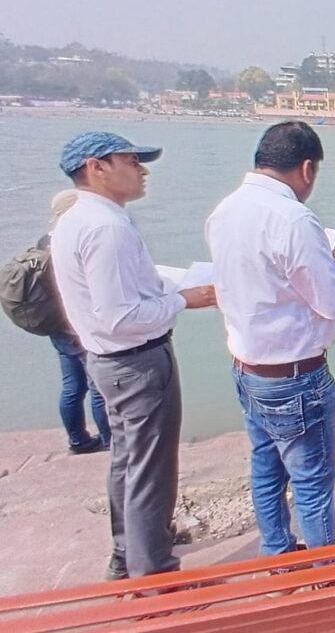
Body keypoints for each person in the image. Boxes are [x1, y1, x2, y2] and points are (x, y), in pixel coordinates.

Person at [50, 132, 217, 580]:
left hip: (108, 362)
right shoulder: (107, 228)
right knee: (151, 472)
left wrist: (167, 288)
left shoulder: (77, 219)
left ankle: (127, 555)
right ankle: (154, 574)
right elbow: (121, 317)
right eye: (131, 161)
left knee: (127, 461)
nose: (141, 171)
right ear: (97, 167)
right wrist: (184, 300)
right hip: (137, 361)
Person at [206, 121, 335, 555]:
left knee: (266, 468)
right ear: (307, 168)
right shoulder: (293, 218)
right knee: (312, 483)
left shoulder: (225, 210)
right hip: (295, 377)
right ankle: (328, 577)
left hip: (248, 369)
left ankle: (277, 555)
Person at [43, 189, 110, 454]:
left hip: (56, 327)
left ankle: (77, 439)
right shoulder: (71, 239)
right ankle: (110, 441)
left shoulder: (46, 241)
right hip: (76, 324)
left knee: (72, 386)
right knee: (98, 388)